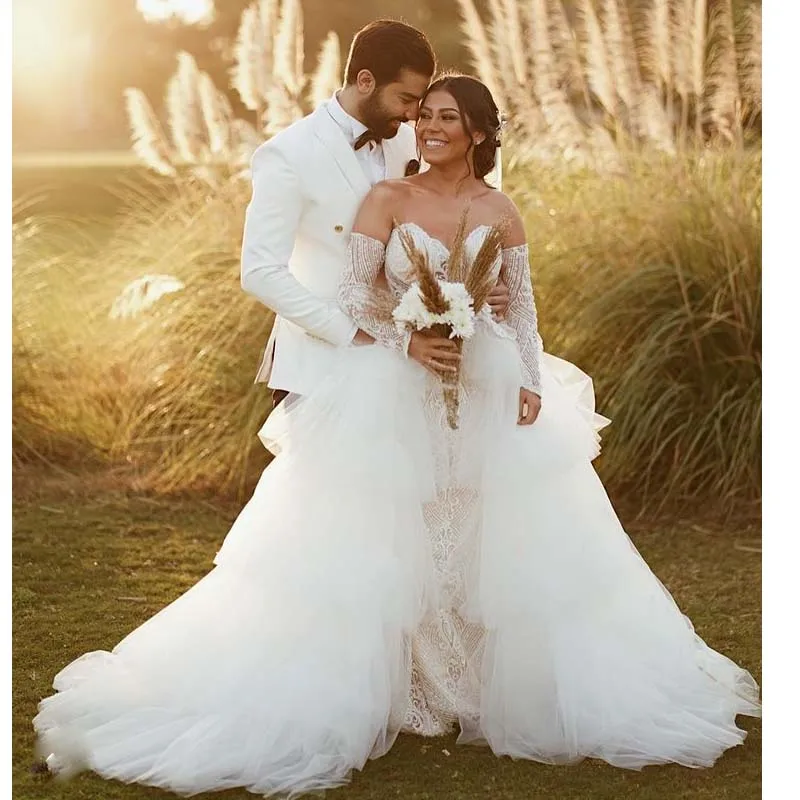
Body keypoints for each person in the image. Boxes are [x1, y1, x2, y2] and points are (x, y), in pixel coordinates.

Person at [33, 74, 761, 797]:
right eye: (426, 116)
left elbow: (523, 311)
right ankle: (404, 687)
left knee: (476, 525)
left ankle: (469, 686)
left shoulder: (500, 209)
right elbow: (354, 296)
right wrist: (409, 335)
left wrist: (531, 380)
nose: (430, 128)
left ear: (478, 132)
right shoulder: (385, 199)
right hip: (391, 386)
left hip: (484, 387)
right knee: (392, 530)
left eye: (448, 118)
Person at [239, 18, 508, 412]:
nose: (416, 114)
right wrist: (353, 332)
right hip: (320, 362)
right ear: (365, 81)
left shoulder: (413, 140)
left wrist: (482, 283)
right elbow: (260, 271)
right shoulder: (286, 155)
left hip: (411, 361)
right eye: (405, 99)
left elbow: (456, 212)